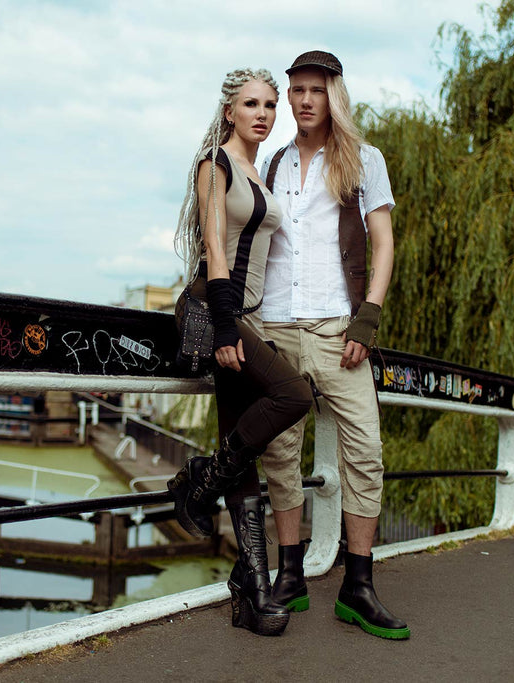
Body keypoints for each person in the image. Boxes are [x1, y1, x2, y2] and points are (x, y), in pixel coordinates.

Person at [258, 51, 410, 640]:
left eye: (314, 90)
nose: (302, 100)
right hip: (275, 325)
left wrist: (366, 319)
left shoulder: (363, 159)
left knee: (364, 449)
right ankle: (290, 574)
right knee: (280, 451)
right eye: (295, 90)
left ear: (333, 96)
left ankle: (358, 585)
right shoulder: (272, 164)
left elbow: (384, 240)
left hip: (335, 328)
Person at [168, 68, 313, 636]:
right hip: (213, 308)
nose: (263, 113)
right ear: (229, 111)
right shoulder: (216, 164)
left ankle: (252, 594)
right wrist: (229, 329)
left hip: (244, 317)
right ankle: (201, 481)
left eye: (270, 105)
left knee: (243, 453)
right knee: (292, 393)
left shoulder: (259, 170)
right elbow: (213, 249)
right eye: (251, 104)